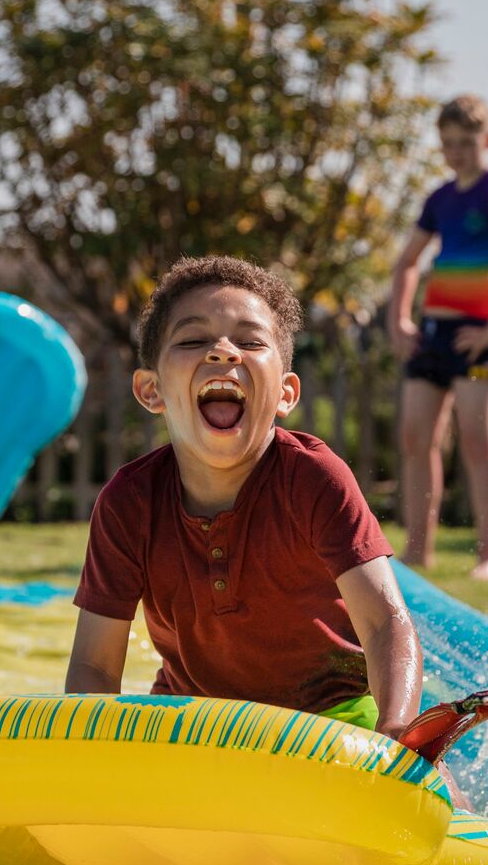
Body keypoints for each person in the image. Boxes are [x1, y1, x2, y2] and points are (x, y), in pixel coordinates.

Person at [65, 255, 421, 740]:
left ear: (285, 394)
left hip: (331, 717)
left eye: (251, 341)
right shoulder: (129, 505)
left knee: (439, 796)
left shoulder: (313, 479)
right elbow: (94, 666)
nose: (224, 352)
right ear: (151, 391)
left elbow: (384, 624)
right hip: (192, 719)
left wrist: (397, 726)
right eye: (193, 340)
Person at [387, 93, 488, 582]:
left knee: (477, 441)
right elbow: (407, 262)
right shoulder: (439, 199)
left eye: (466, 143)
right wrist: (399, 321)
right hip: (433, 333)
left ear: (487, 141)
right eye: (448, 144)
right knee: (416, 437)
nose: (457, 153)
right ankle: (417, 552)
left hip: (478, 337)